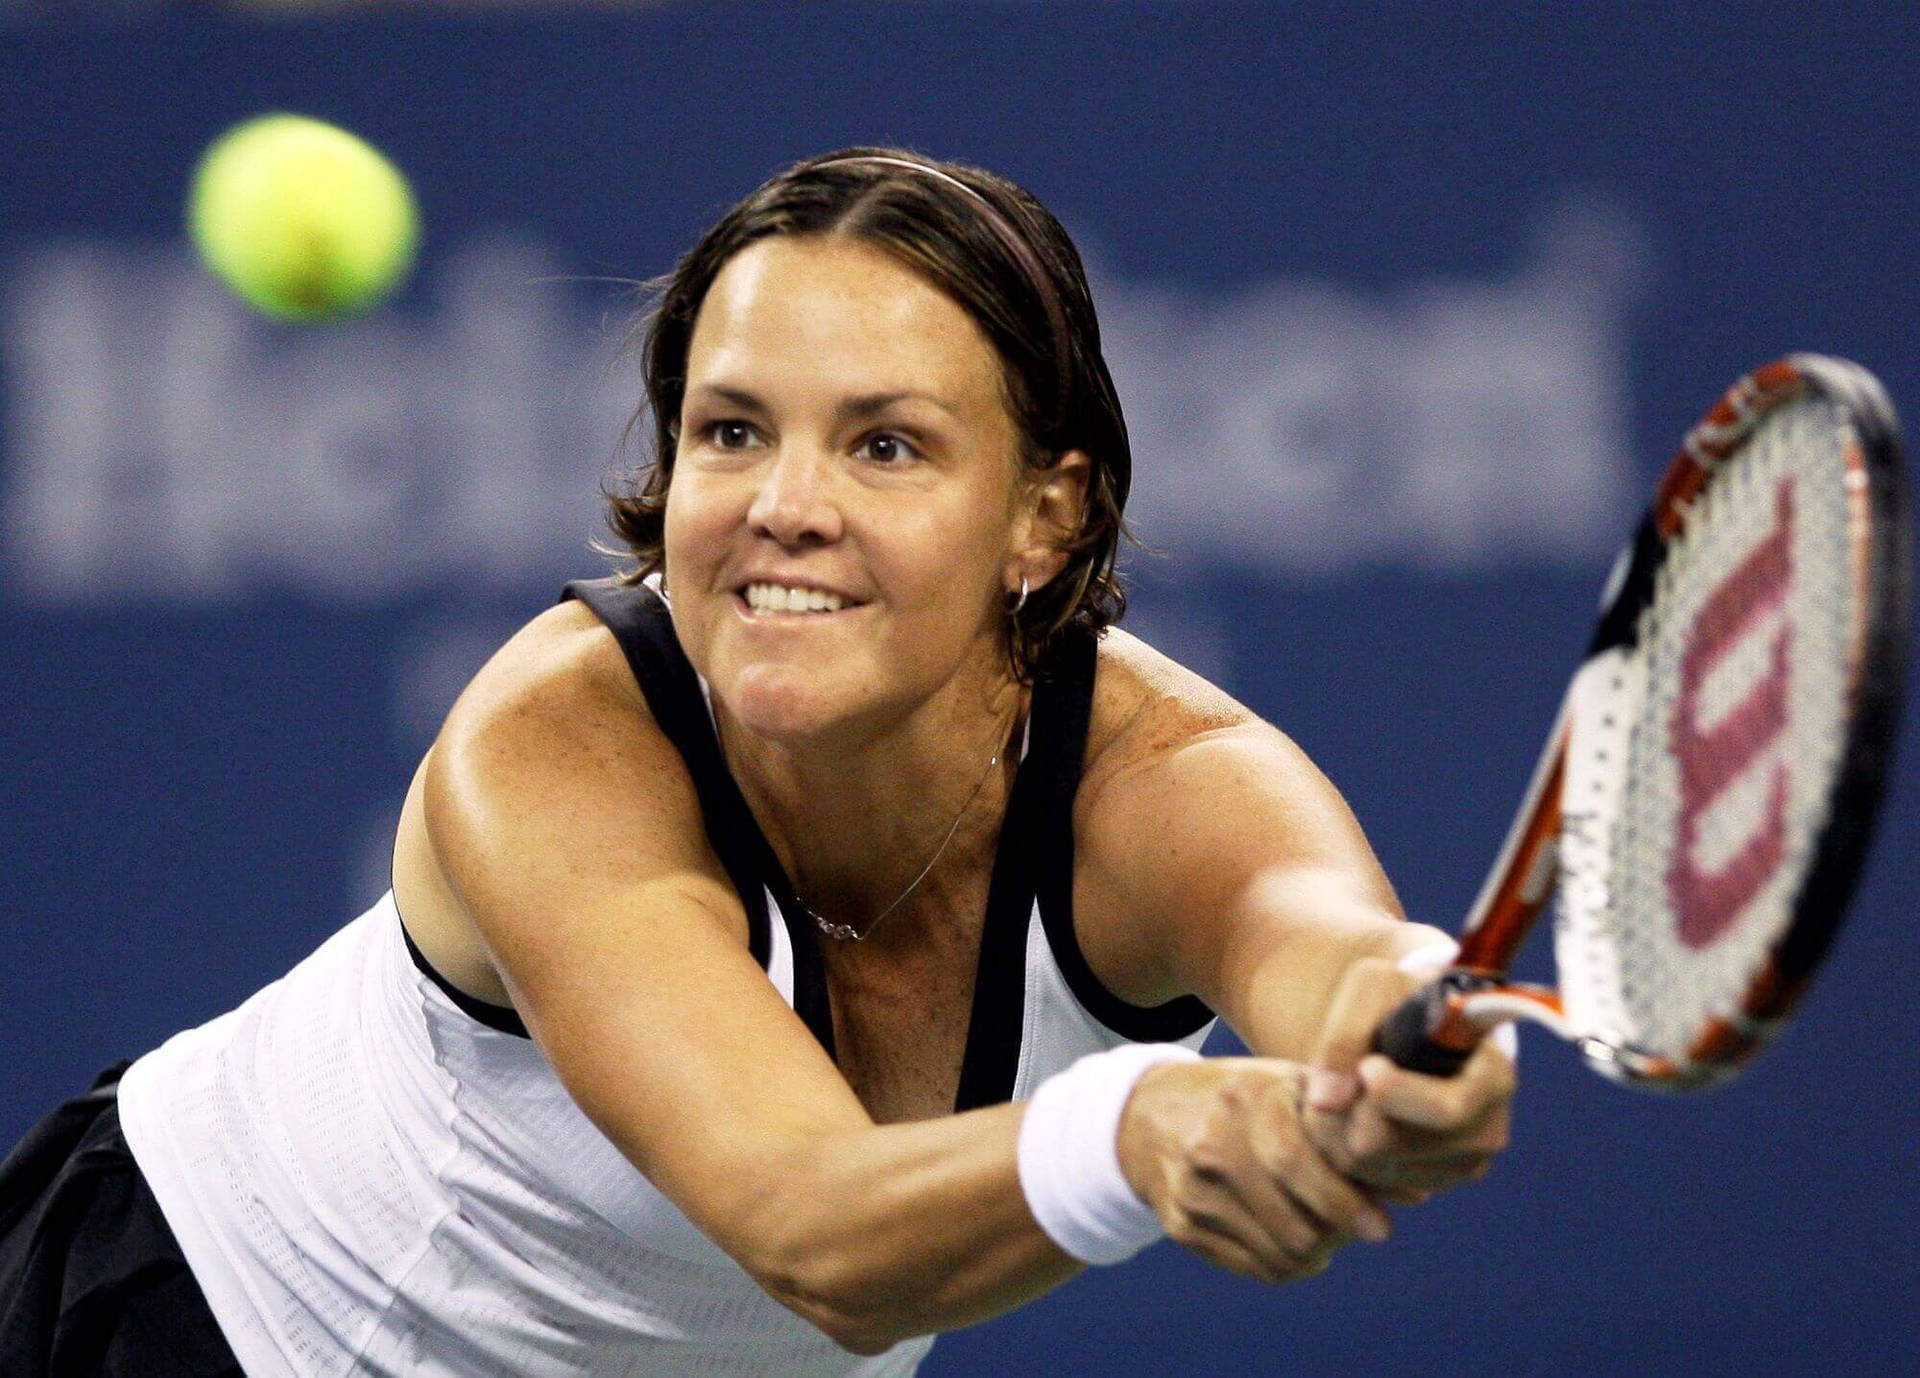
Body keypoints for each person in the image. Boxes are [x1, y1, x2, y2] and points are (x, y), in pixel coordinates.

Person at [0, 148, 1514, 1376]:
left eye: (887, 446)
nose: (785, 505)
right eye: (730, 432)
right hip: (195, 1319)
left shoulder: (1170, 783)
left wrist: (1406, 1047)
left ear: (1046, 518)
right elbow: (812, 1234)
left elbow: (1337, 959)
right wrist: (1127, 1131)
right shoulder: (551, 740)